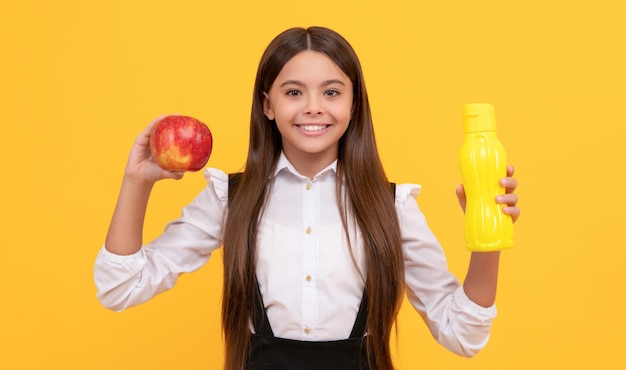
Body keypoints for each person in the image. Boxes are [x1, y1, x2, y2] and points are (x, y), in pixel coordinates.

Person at [94, 26, 520, 370]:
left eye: (332, 92)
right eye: (294, 92)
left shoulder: (392, 206)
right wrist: (138, 182)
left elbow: (462, 335)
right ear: (268, 105)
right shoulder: (231, 198)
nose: (314, 107)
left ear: (354, 105)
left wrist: (488, 235)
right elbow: (120, 286)